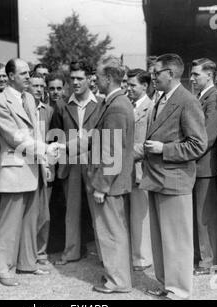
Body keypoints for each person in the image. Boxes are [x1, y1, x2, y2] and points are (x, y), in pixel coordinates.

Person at [140, 53, 207, 300]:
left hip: (175, 179)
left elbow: (198, 145)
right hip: (157, 178)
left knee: (177, 240)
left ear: (171, 73)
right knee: (159, 240)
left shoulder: (187, 101)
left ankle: (179, 290)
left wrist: (163, 149)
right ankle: (166, 283)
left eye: (157, 73)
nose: (153, 77)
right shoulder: (159, 99)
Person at [0, 58, 60, 287]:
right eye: (23, 73)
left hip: (34, 166)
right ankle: (4, 269)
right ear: (10, 76)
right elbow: (15, 137)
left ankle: (27, 263)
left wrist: (44, 161)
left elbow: (36, 133)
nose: (28, 77)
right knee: (10, 223)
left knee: (31, 219)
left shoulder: (29, 97)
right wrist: (45, 149)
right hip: (14, 167)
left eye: (29, 73)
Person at [88, 56, 134, 294]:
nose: (95, 79)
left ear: (108, 78)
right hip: (113, 181)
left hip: (110, 183)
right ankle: (116, 276)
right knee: (113, 230)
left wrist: (101, 186)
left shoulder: (116, 106)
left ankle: (118, 282)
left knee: (111, 232)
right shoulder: (115, 102)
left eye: (97, 75)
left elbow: (112, 151)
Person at [51, 60, 103, 265]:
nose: (75, 82)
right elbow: (55, 138)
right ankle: (71, 252)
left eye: (80, 78)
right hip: (70, 164)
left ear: (90, 79)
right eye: (72, 78)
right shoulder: (62, 105)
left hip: (93, 162)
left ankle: (103, 255)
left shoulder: (101, 103)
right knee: (71, 210)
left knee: (97, 210)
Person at [190, 58, 217, 275]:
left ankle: (210, 260)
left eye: (196, 75)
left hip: (206, 168)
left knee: (207, 216)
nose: (192, 78)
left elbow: (206, 137)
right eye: (192, 74)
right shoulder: (202, 97)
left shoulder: (215, 99)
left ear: (209, 75)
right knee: (199, 215)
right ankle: (202, 256)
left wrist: (184, 154)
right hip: (198, 166)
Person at [126, 68, 153, 271]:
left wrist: (123, 154)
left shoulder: (151, 109)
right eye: (127, 84)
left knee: (140, 215)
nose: (129, 88)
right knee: (128, 214)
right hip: (126, 169)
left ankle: (142, 258)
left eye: (133, 85)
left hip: (140, 168)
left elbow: (148, 143)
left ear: (145, 86)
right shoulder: (127, 105)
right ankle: (131, 255)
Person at [29, 72, 55, 265]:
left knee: (43, 213)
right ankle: (27, 252)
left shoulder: (49, 111)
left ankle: (40, 251)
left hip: (45, 165)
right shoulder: (21, 107)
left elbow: (53, 140)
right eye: (34, 85)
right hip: (27, 164)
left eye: (41, 86)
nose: (38, 89)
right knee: (28, 211)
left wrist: (48, 163)